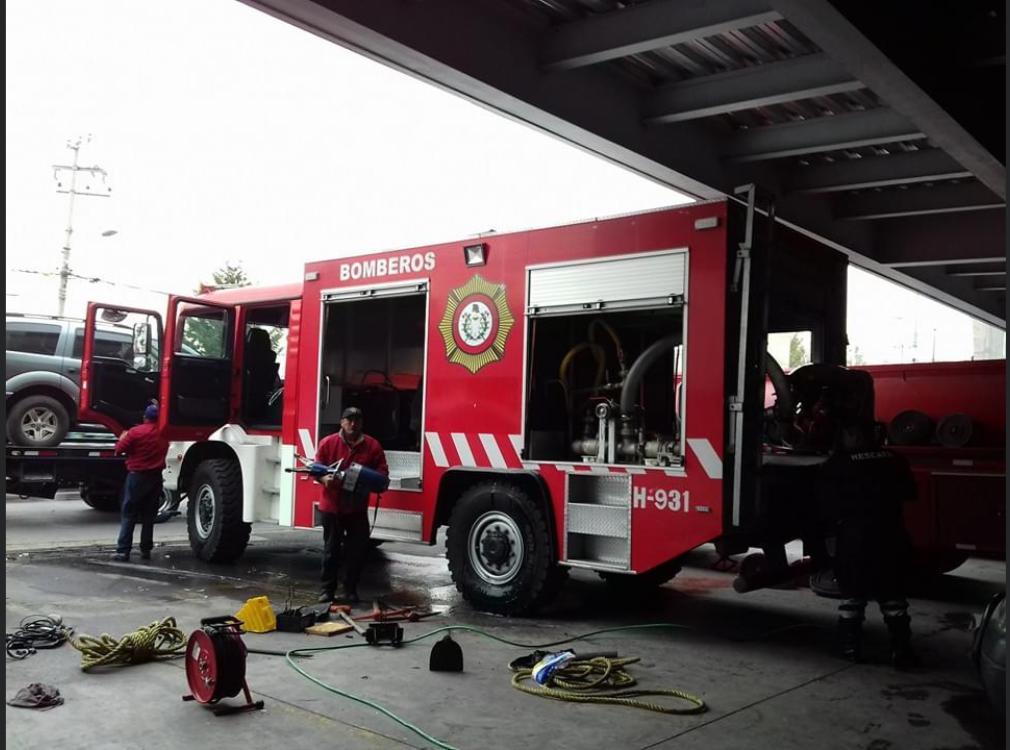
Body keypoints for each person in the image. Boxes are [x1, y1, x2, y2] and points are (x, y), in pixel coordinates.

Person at [817, 420, 918, 668]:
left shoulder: (837, 464)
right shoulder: (895, 459)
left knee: (852, 597)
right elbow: (910, 493)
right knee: (893, 598)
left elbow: (826, 506)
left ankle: (851, 648)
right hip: (891, 535)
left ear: (851, 434)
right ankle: (900, 650)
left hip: (855, 538)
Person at [314, 406, 388, 604]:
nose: (353, 424)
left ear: (362, 423)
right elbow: (316, 468)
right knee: (331, 550)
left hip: (356, 508)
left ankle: (350, 590)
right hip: (332, 507)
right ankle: (327, 591)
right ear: (342, 422)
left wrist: (371, 481)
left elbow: (382, 477)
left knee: (356, 552)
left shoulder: (372, 446)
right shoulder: (328, 443)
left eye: (357, 420)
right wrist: (324, 480)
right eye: (349, 420)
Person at [112, 404, 169, 562]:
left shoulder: (135, 432)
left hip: (137, 477)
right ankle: (146, 550)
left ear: (145, 417)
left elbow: (119, 449)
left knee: (129, 514)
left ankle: (123, 551)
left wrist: (123, 438)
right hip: (155, 478)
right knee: (149, 517)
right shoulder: (164, 434)